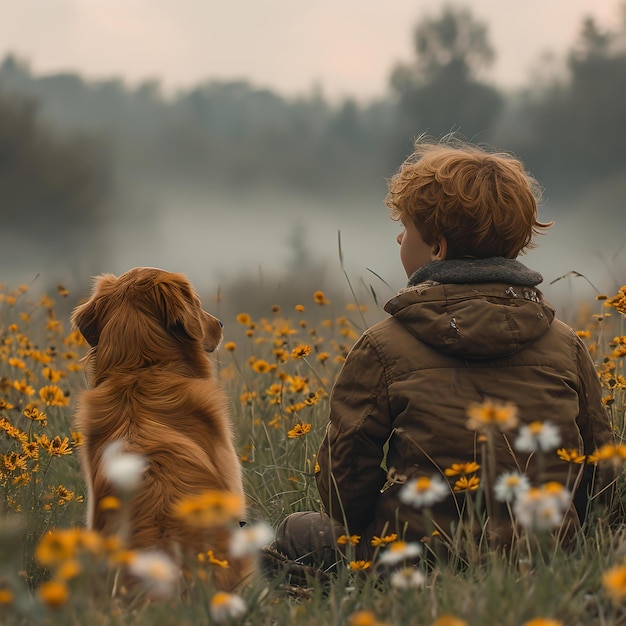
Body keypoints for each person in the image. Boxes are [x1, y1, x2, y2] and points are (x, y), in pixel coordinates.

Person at [262, 138, 613, 579]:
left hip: (413, 562)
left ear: (437, 248)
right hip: (543, 560)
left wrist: (370, 531)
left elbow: (344, 473)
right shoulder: (566, 344)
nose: (398, 236)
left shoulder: (383, 345)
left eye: (405, 228)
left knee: (299, 530)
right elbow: (603, 466)